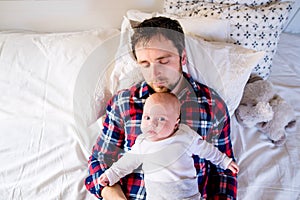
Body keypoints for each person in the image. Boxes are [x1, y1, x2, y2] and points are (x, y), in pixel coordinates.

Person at [85, 16, 238, 200]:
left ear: (182, 57)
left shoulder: (212, 106)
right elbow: (100, 160)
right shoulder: (124, 103)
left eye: (163, 61)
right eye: (145, 64)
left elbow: (223, 173)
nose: (154, 73)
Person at [98, 93, 239, 200]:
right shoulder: (143, 144)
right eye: (147, 118)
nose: (152, 124)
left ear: (176, 123)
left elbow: (207, 151)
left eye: (161, 119)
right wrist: (110, 175)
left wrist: (224, 161)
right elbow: (125, 164)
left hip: (187, 196)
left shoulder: (185, 137)